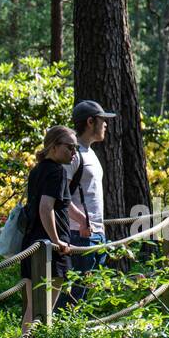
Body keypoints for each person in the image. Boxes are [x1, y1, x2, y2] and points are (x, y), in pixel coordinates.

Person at [20, 125, 77, 332]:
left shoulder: (37, 170)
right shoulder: (57, 171)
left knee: (32, 309)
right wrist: (57, 241)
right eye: (70, 147)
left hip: (31, 244)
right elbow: (46, 208)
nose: (73, 153)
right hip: (49, 250)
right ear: (53, 147)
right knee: (43, 312)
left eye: (76, 148)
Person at [64, 99, 118, 303]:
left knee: (87, 294)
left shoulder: (91, 153)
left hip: (96, 234)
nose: (105, 124)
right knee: (74, 296)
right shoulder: (73, 154)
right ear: (90, 122)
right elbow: (62, 196)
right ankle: (60, 333)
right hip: (79, 235)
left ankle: (77, 333)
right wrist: (82, 221)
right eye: (102, 120)